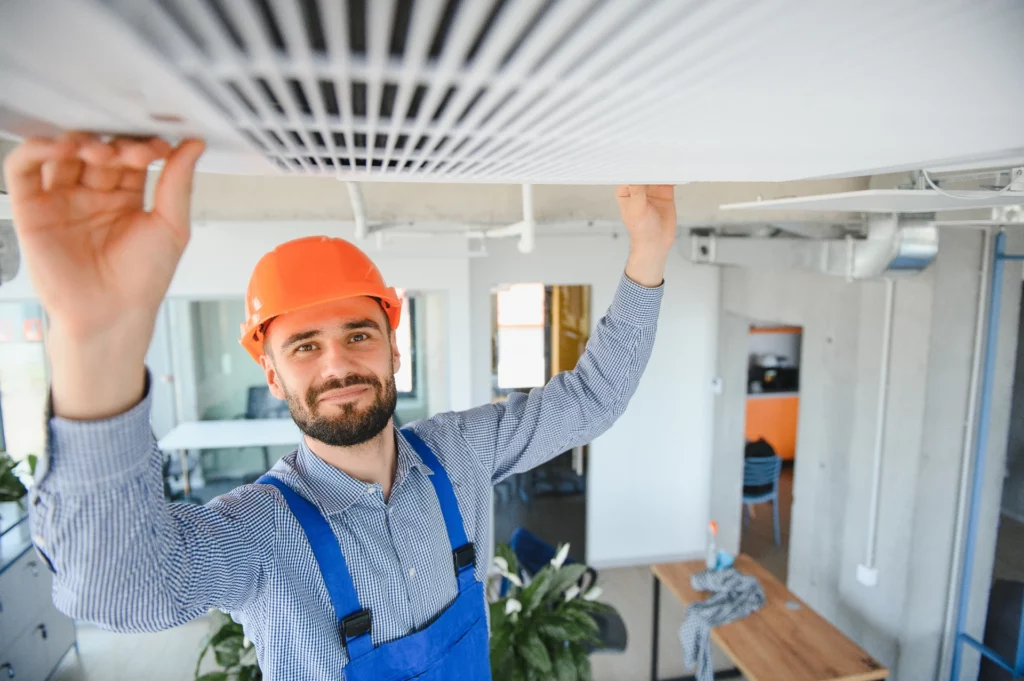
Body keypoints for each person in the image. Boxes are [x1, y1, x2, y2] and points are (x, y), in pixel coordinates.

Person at [3, 133, 676, 680]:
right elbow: (120, 592)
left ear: (393, 349)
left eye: (358, 334)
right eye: (304, 346)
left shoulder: (462, 453)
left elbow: (591, 397)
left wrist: (648, 251)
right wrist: (96, 347)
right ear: (272, 374)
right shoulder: (261, 530)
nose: (337, 365)